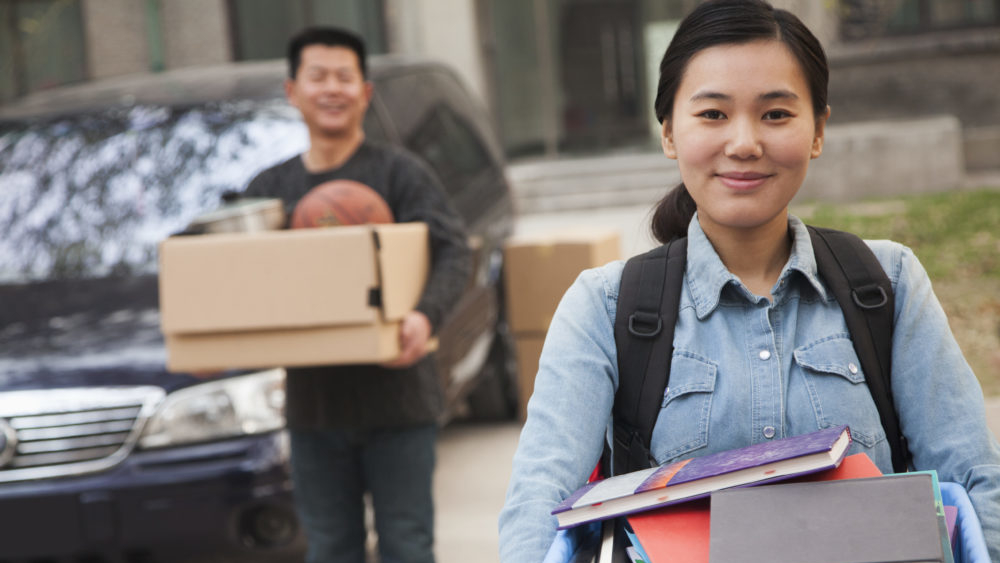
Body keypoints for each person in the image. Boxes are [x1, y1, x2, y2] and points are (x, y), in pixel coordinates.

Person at [497, 1, 1000, 561]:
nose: (744, 143)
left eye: (776, 114)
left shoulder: (889, 283)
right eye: (712, 114)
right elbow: (539, 506)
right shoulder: (605, 306)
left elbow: (978, 481)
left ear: (818, 130)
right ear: (668, 132)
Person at [243, 27, 471, 563]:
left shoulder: (401, 174)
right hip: (314, 410)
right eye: (317, 76)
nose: (331, 89)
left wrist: (423, 317)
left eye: (344, 77)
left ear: (364, 93)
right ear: (291, 91)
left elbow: (453, 250)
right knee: (330, 550)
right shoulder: (269, 190)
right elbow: (225, 267)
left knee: (407, 548)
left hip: (400, 403)